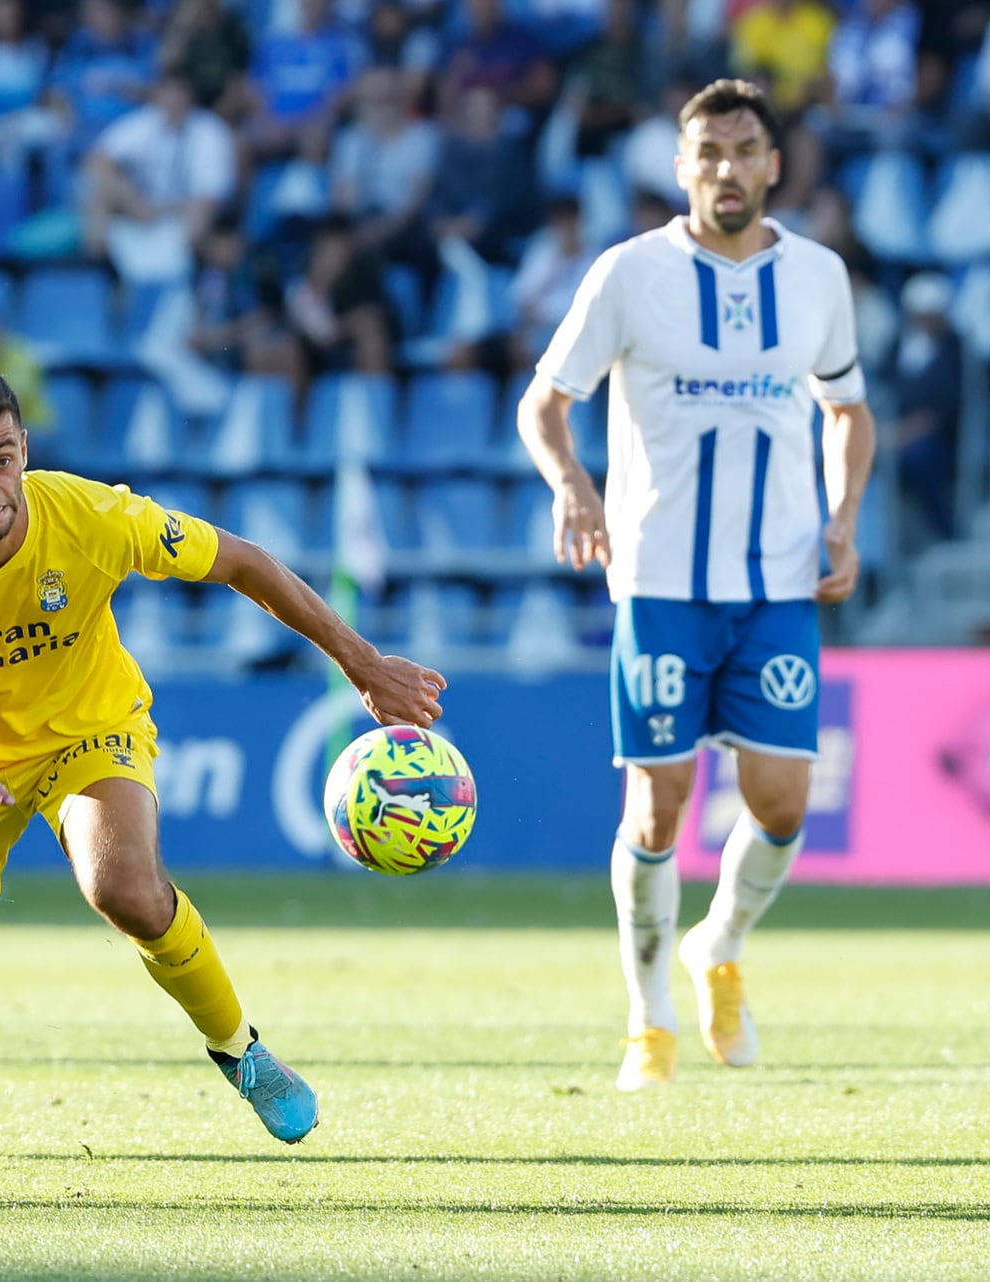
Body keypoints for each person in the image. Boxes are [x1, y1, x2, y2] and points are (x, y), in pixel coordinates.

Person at [0, 366, 447, 1207]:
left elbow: (241, 561)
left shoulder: (90, 515)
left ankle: (240, 1049)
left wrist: (363, 663)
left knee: (126, 889)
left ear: (24, 449)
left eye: (0, 457)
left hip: (88, 734)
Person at [516, 80, 876, 1092]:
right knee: (657, 813)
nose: (726, 167)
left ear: (774, 164)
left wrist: (845, 516)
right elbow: (544, 403)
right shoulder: (630, 274)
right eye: (707, 152)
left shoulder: (818, 277)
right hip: (661, 579)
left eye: (744, 149)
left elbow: (848, 408)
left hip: (777, 584)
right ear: (683, 168)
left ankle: (716, 945)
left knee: (783, 803)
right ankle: (648, 1022)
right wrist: (573, 486)